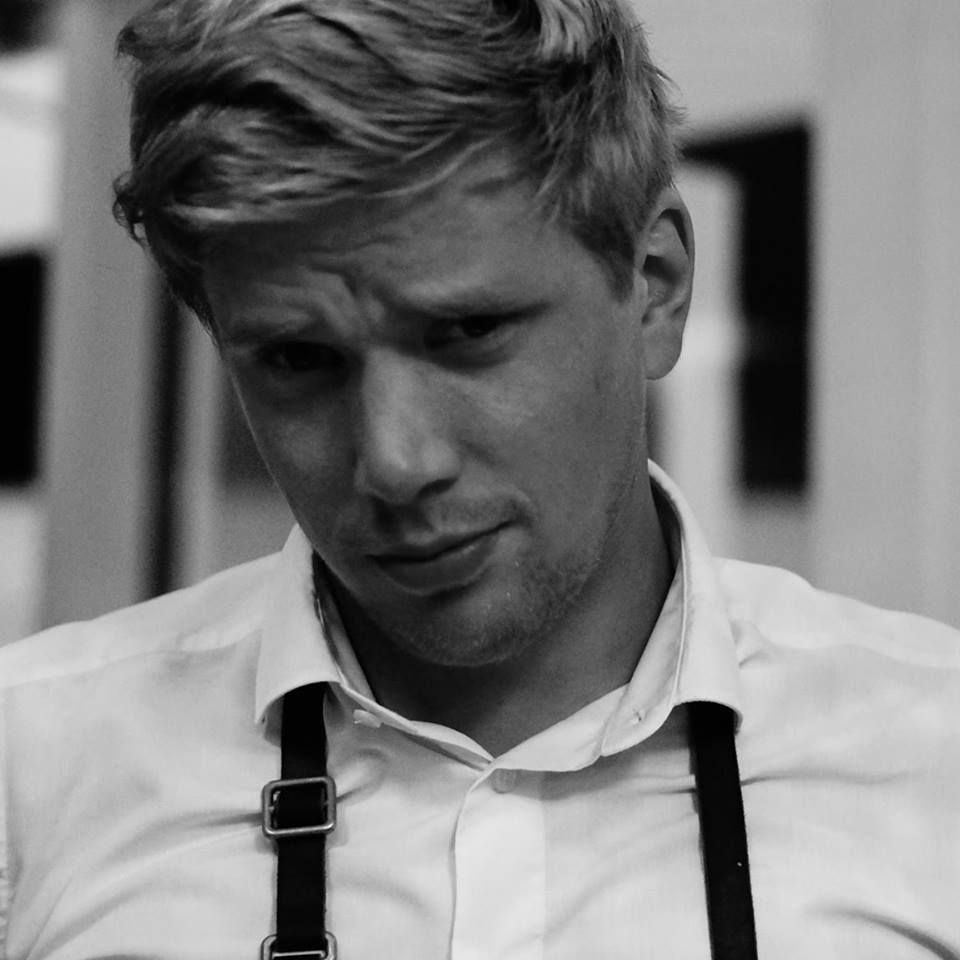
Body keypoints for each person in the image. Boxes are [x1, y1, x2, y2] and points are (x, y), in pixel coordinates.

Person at [2, 0, 959, 957]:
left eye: (467, 333)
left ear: (655, 286)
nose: (395, 462)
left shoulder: (933, 756)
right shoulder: (32, 770)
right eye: (299, 360)